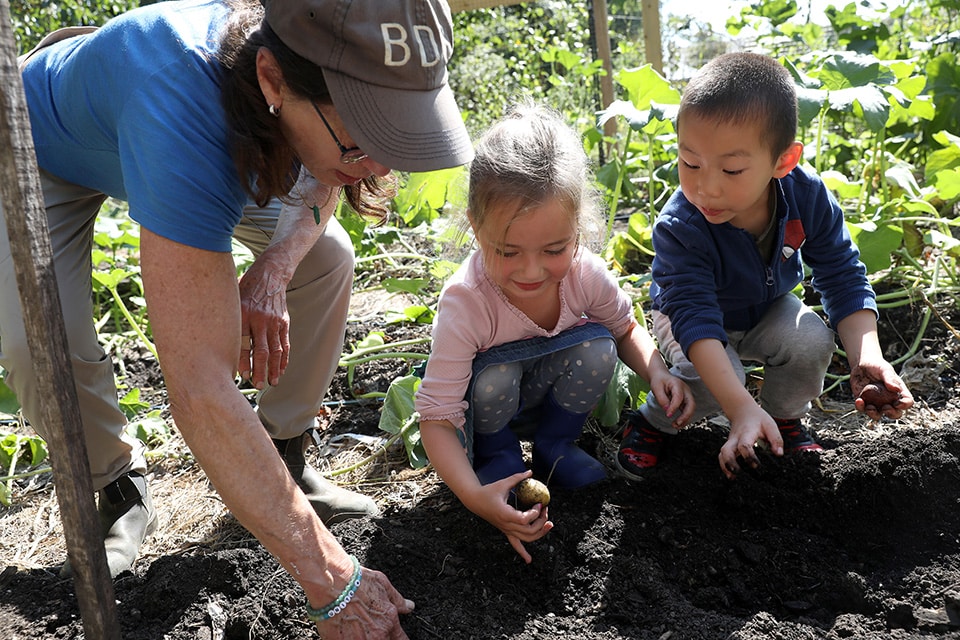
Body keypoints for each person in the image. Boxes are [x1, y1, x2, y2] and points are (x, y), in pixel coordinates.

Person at [1, 0, 473, 637]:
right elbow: (199, 390)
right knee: (34, 340)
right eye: (362, 141)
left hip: (200, 132)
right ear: (273, 82)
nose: (381, 168)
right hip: (46, 150)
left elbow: (326, 179)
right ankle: (118, 483)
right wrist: (331, 579)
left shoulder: (307, 66)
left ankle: (286, 453)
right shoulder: (184, 101)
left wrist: (273, 271)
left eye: (391, 136)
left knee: (323, 261)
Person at [615, 52, 915, 481]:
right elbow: (695, 320)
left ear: (783, 161)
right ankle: (650, 423)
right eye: (689, 163)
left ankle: (783, 419)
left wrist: (868, 356)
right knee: (718, 379)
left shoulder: (806, 196)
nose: (706, 186)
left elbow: (842, 273)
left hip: (765, 306)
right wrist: (738, 405)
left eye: (732, 169)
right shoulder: (681, 226)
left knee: (811, 338)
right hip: (689, 320)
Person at [414, 102, 694, 563]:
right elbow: (437, 417)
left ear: (578, 227)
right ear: (475, 228)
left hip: (547, 397)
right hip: (489, 413)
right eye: (507, 250)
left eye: (554, 249)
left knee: (599, 345)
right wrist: (469, 495)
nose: (531, 270)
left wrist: (656, 372)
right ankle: (498, 458)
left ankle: (554, 446)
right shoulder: (466, 301)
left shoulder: (585, 275)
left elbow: (625, 328)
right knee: (494, 377)